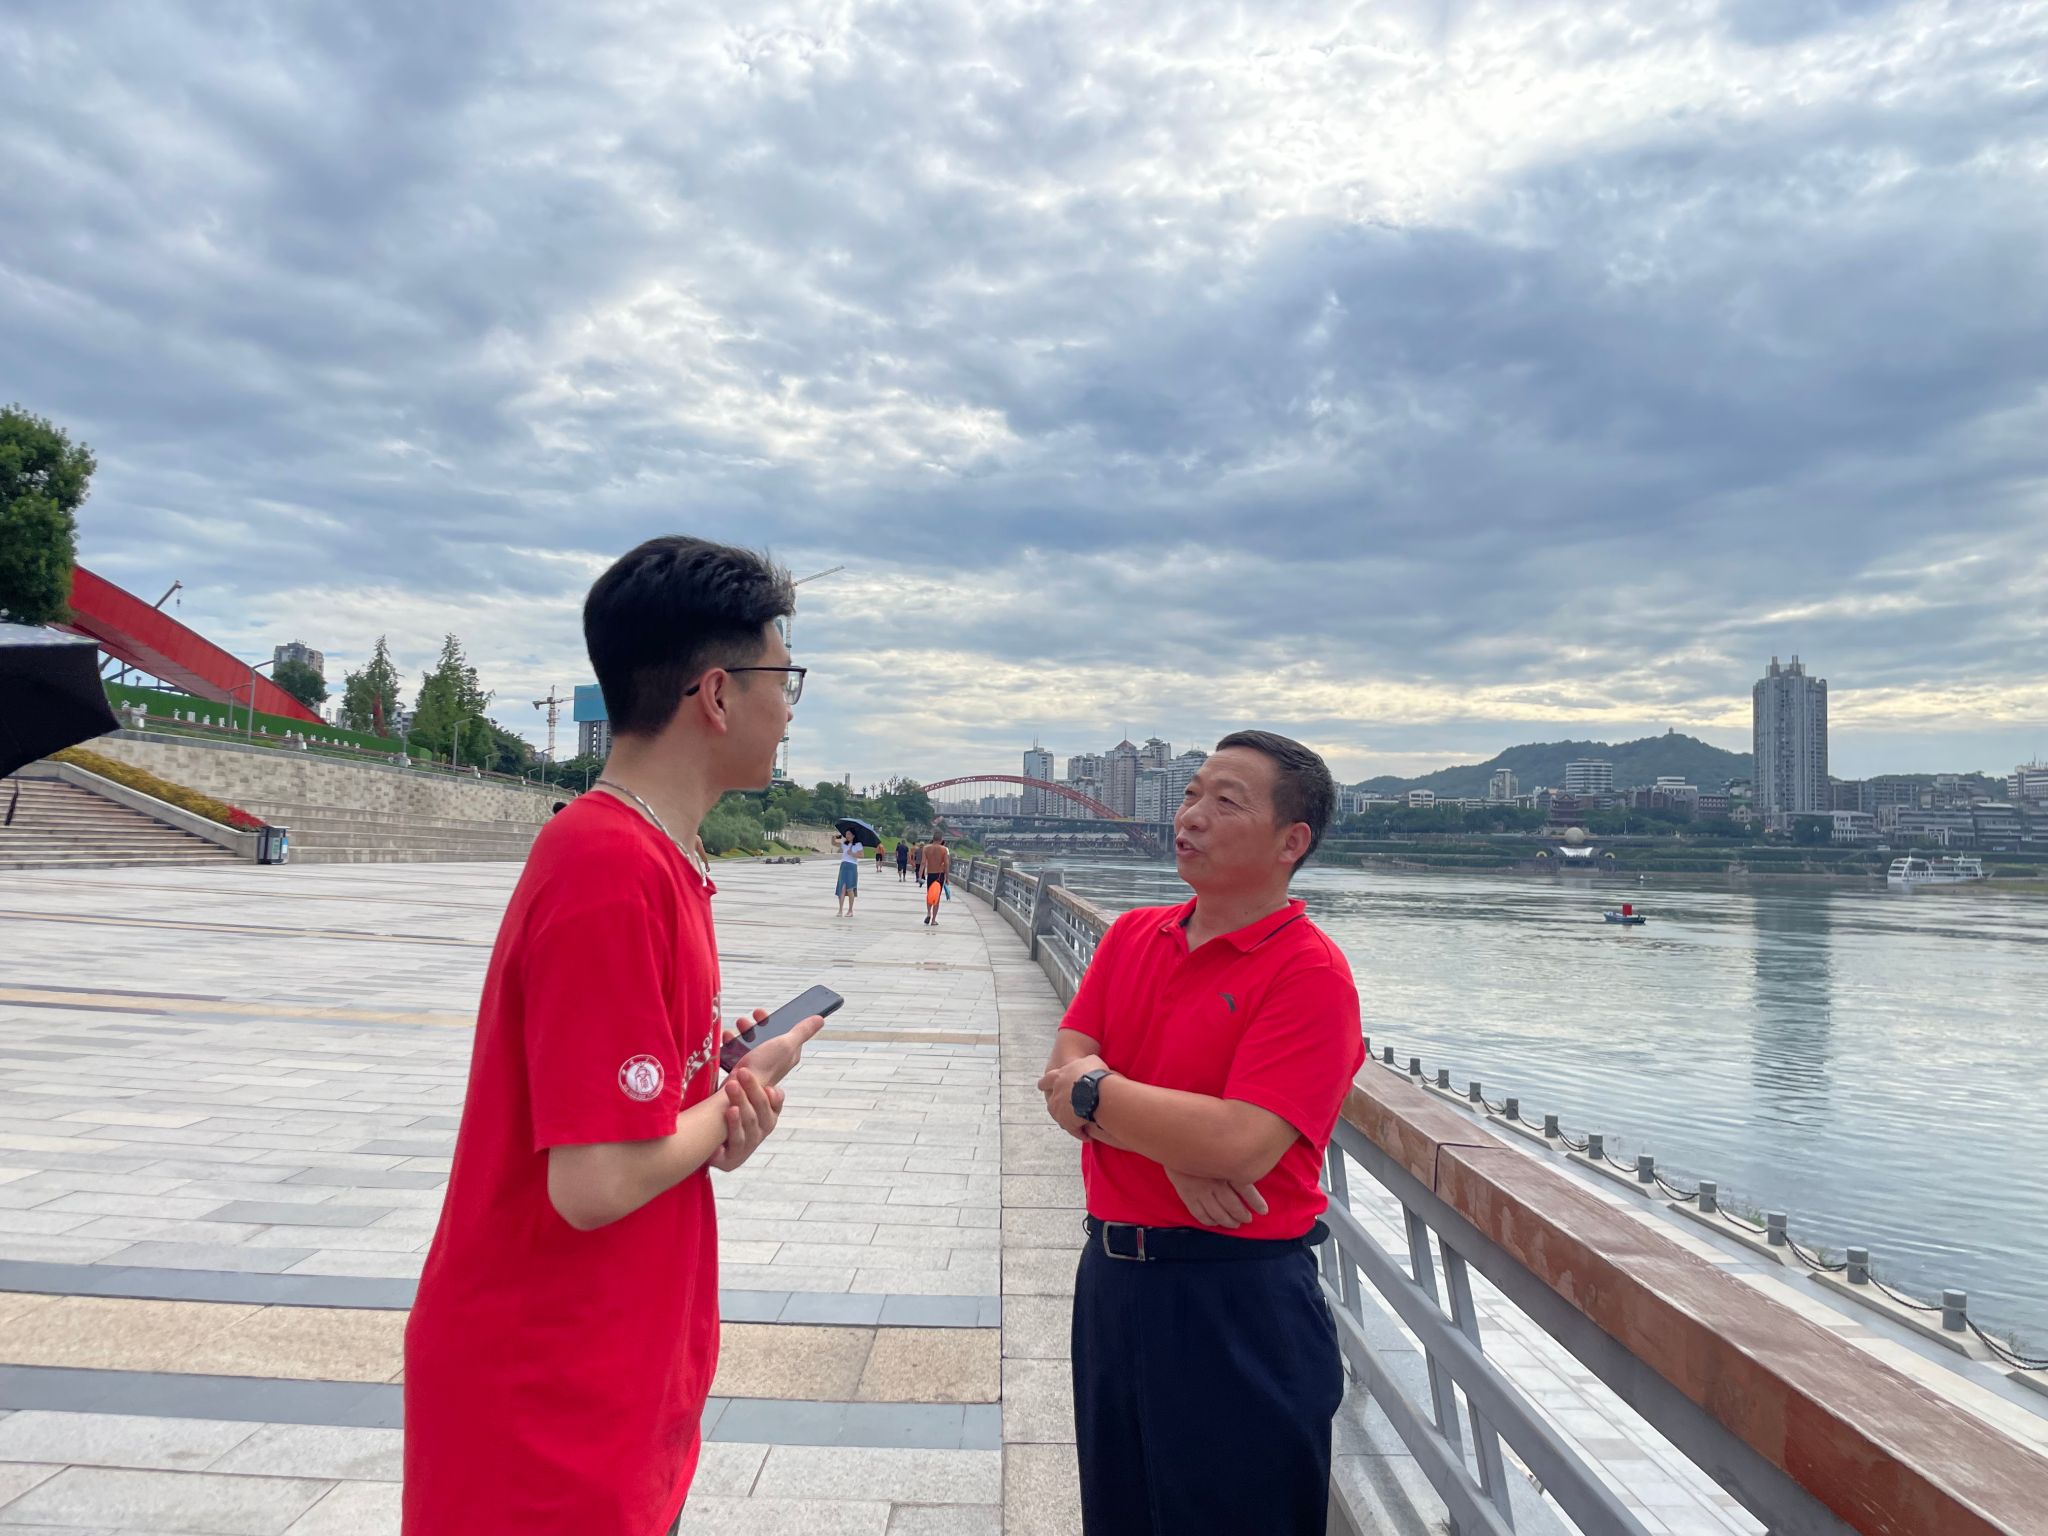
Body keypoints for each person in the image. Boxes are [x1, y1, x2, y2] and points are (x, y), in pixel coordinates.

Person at [404, 536, 827, 1536]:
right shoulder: (610, 866)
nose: (789, 710)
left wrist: (713, 1097)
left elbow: (630, 1129)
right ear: (716, 694)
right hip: (545, 1412)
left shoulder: (662, 856)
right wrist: (736, 1094)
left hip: (612, 1378)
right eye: (784, 680)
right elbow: (593, 1182)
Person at [1036, 731, 1363, 1536]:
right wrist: (1165, 1138)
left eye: (1226, 802)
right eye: (1190, 795)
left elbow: (1238, 1145)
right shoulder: (1131, 936)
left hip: (1237, 1301)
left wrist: (1104, 1101)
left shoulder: (1310, 973)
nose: (1191, 816)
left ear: (1292, 842)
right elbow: (1057, 1078)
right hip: (1112, 1281)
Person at [919, 832, 950, 924]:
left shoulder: (926, 848)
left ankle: (929, 913)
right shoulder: (944, 849)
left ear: (933, 839)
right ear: (941, 840)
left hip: (930, 874)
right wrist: (947, 878)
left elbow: (923, 863)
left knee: (930, 895)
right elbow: (946, 864)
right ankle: (933, 920)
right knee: (937, 897)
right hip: (940, 875)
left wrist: (920, 876)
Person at [835, 828, 861, 917]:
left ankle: (850, 910)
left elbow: (862, 855)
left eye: (849, 834)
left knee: (850, 889)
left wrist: (852, 854)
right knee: (841, 888)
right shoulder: (844, 844)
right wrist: (833, 837)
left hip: (852, 867)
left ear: (853, 835)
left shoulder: (858, 844)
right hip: (843, 866)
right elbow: (834, 843)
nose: (847, 836)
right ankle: (840, 910)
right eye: (846, 834)